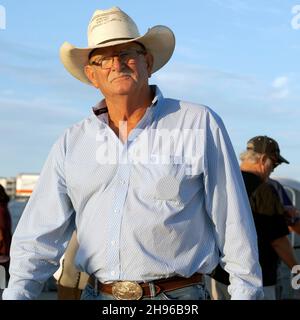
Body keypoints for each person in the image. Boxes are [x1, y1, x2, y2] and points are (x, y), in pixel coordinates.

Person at [3, 6, 263, 300]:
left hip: (176, 299)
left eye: (128, 53)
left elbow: (234, 223)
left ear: (148, 63)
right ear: (92, 75)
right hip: (97, 295)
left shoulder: (198, 123)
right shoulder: (71, 142)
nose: (117, 64)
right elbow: (39, 235)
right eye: (104, 59)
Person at [208, 135, 299, 300]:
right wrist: (296, 268)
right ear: (263, 159)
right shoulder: (263, 190)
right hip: (254, 282)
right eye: (275, 163)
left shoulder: (222, 182)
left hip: (220, 276)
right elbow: (277, 240)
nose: (274, 169)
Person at [0, 184, 12, 286]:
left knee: (1, 284)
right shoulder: (4, 207)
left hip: (1, 251)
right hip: (6, 249)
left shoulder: (0, 209)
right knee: (2, 284)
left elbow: (1, 232)